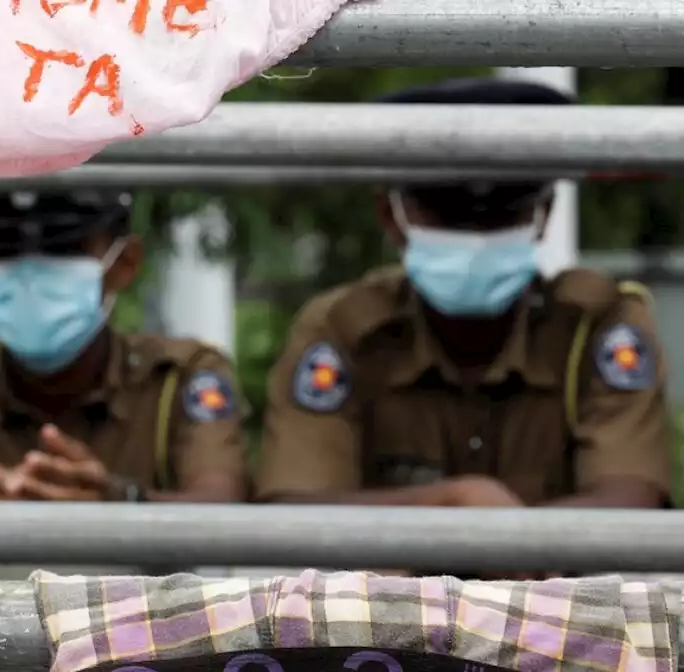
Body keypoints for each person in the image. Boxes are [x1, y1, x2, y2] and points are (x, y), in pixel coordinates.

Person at [254, 78, 672, 515]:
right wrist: (451, 502)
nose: (475, 237)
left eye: (503, 215)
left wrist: (496, 538)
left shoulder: (595, 327)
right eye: (446, 217)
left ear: (544, 215)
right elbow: (297, 509)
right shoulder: (344, 331)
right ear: (390, 217)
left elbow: (630, 504)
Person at [0, 191, 249, 504]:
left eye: (61, 249)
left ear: (125, 264)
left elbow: (222, 512)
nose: (29, 275)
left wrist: (121, 502)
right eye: (4, 250)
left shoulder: (178, 378)